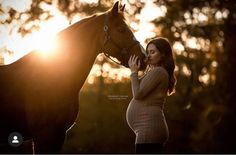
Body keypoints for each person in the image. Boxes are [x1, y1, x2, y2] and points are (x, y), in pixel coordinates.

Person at [126, 37, 176, 154]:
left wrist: (133, 72)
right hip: (148, 128)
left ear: (163, 54)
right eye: (147, 52)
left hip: (148, 128)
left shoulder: (159, 71)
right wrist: (137, 69)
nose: (149, 56)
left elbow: (137, 94)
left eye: (152, 52)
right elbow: (138, 87)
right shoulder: (156, 72)